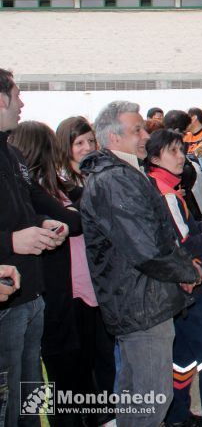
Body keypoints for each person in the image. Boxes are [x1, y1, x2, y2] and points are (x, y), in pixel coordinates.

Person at [80, 101, 202, 427]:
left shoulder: (126, 172)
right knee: (151, 402)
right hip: (141, 306)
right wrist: (187, 271)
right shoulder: (113, 181)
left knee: (138, 399)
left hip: (144, 299)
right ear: (112, 138)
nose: (145, 135)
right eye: (137, 130)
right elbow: (147, 248)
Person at [11, 121, 115, 427]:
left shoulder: (53, 184)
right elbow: (75, 222)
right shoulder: (31, 191)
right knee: (61, 381)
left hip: (78, 293)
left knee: (83, 370)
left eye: (89, 141)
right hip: (58, 298)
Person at [146, 129, 202, 427]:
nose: (179, 156)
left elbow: (188, 228)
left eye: (180, 149)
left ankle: (177, 416)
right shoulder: (164, 192)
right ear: (155, 157)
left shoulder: (169, 189)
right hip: (187, 288)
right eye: (172, 151)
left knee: (182, 358)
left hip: (179, 291)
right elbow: (185, 246)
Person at [0, 70, 69, 427]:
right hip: (6, 303)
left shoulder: (11, 155)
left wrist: (43, 224)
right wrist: (11, 241)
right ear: (1, 99)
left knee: (30, 395)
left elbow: (27, 206)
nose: (23, 102)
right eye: (17, 94)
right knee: (8, 399)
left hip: (30, 294)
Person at [56, 116, 117, 421]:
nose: (85, 148)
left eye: (90, 141)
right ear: (65, 147)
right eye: (78, 142)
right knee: (83, 357)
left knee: (105, 353)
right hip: (76, 280)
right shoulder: (59, 183)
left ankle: (107, 414)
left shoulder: (98, 174)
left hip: (102, 277)